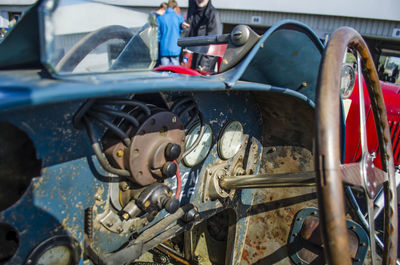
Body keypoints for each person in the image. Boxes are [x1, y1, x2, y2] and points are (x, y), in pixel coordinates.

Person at [184, 0, 222, 72]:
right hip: (190, 61)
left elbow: (214, 43)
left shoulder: (213, 14)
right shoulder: (191, 11)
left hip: (203, 65)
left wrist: (204, 66)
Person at [157, 1, 186, 66]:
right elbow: (183, 29)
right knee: (176, 72)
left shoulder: (160, 18)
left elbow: (158, 35)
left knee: (164, 72)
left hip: (164, 48)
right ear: (175, 7)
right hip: (175, 48)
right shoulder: (179, 17)